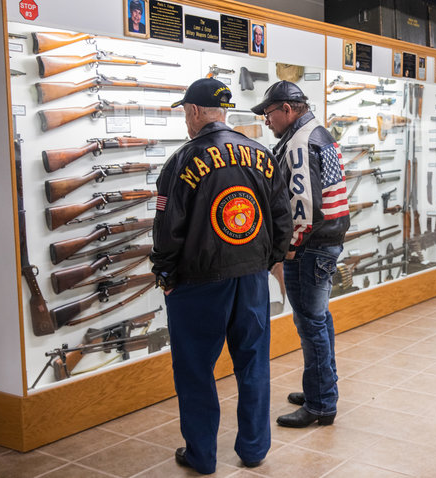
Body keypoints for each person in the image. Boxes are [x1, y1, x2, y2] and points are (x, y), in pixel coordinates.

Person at [151, 78, 292, 474]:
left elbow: (167, 231)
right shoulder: (261, 153)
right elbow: (282, 219)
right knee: (253, 364)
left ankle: (202, 455)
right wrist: (268, 261)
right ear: (223, 110)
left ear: (194, 112)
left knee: (196, 370)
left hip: (198, 282)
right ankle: (254, 449)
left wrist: (165, 273)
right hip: (250, 278)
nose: (185, 118)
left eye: (185, 112)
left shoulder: (181, 160)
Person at [251, 81, 350, 428]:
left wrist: (288, 249)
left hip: (309, 248)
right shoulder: (319, 134)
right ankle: (321, 390)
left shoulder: (298, 142)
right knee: (318, 321)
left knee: (310, 325)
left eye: (268, 113)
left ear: (287, 109)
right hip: (325, 244)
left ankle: (321, 404)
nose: (266, 120)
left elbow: (305, 207)